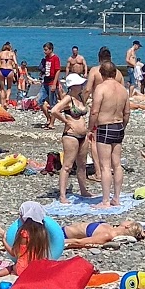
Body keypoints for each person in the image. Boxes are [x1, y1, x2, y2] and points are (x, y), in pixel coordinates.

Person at [90, 61, 129, 207]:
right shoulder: (123, 89)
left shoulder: (101, 88)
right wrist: (123, 126)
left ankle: (105, 200)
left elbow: (94, 111)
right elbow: (127, 112)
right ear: (115, 73)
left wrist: (90, 128)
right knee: (117, 164)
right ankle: (117, 198)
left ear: (101, 73)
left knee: (105, 166)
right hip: (118, 126)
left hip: (105, 127)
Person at [51, 75, 93, 203]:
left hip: (83, 135)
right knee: (68, 166)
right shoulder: (68, 99)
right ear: (73, 86)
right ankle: (63, 195)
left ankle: (83, 190)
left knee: (82, 164)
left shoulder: (79, 97)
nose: (82, 86)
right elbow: (54, 110)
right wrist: (67, 122)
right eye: (79, 84)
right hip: (71, 136)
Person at [0, 201, 54, 277]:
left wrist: (3, 239)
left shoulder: (24, 234)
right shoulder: (43, 233)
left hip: (23, 269)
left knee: (11, 267)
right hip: (37, 268)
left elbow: (14, 253)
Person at [63, 219, 145, 248]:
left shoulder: (107, 235)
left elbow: (80, 242)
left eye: (130, 220)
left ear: (128, 226)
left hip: (61, 234)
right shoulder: (111, 228)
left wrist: (61, 241)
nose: (127, 219)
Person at [37, 43, 62, 129]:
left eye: (46, 50)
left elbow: (58, 71)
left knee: (53, 104)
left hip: (52, 83)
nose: (44, 52)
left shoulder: (55, 58)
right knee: (39, 100)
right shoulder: (46, 59)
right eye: (44, 50)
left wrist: (55, 84)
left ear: (51, 49)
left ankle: (52, 123)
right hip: (45, 82)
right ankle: (48, 118)